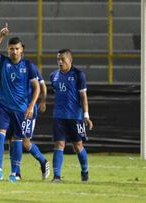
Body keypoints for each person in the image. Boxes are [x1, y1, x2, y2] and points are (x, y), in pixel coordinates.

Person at [0, 24, 40, 182]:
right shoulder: (4, 62)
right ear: (8, 49)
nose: (14, 51)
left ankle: (14, 173)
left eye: (17, 48)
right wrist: (0, 36)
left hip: (20, 109)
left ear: (21, 50)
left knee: (17, 140)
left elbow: (36, 87)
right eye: (11, 49)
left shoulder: (28, 66)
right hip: (3, 107)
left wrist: (31, 106)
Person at [49, 49, 93, 182]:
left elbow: (83, 96)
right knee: (59, 144)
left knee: (78, 146)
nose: (60, 62)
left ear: (70, 60)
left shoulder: (79, 75)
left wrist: (86, 115)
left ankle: (85, 172)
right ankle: (56, 176)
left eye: (62, 59)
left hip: (75, 117)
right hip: (58, 116)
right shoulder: (53, 76)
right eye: (58, 59)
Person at [7, 66, 50, 180]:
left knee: (25, 142)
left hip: (27, 110)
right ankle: (16, 173)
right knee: (11, 140)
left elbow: (42, 85)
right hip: (12, 109)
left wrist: (43, 100)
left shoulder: (30, 68)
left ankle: (43, 161)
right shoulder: (8, 67)